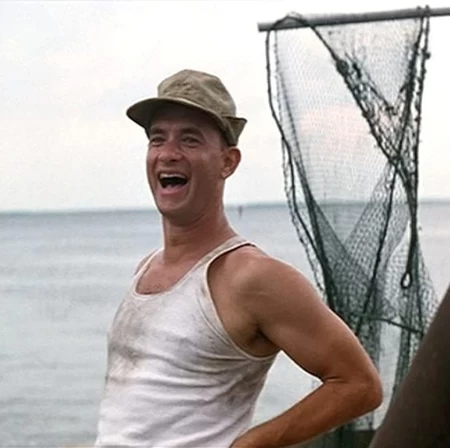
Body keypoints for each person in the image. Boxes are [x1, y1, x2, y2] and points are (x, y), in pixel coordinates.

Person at [93, 69, 382, 448]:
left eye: (190, 139)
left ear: (227, 162)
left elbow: (358, 384)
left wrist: (250, 444)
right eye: (157, 138)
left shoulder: (253, 276)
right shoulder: (146, 268)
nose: (168, 153)